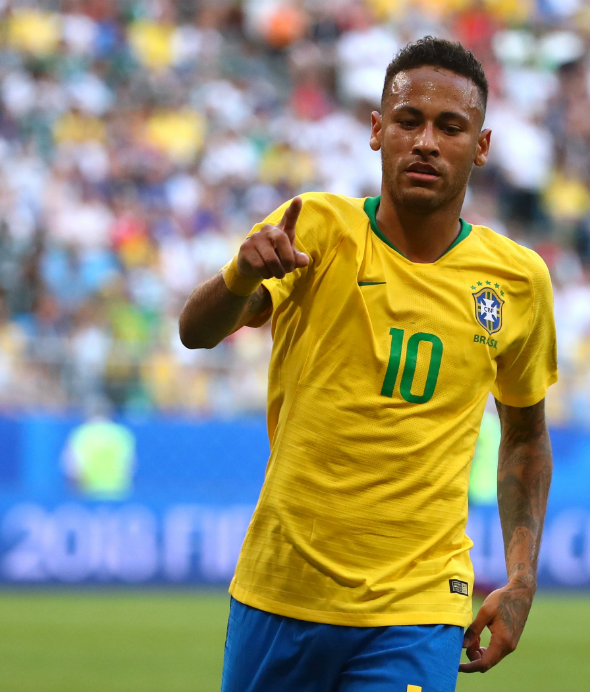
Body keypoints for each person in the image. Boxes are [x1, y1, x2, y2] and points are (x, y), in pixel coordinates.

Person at [179, 37, 558, 692]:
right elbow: (195, 332)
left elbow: (525, 435)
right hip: (283, 589)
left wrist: (522, 580)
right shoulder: (314, 228)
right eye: (410, 121)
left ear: (482, 146)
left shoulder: (518, 280)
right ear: (378, 131)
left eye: (450, 127)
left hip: (419, 606)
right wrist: (240, 273)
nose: (427, 142)